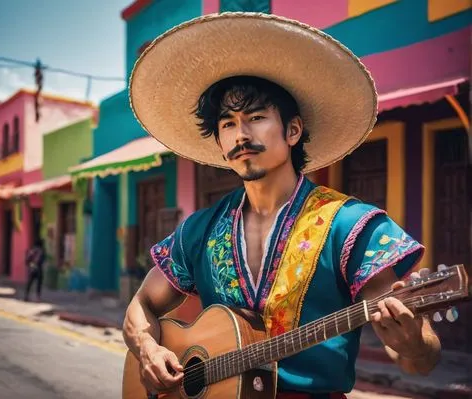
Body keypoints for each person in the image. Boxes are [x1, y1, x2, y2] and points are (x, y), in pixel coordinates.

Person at [123, 13, 441, 398]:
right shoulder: (200, 229)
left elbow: (419, 362)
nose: (240, 134)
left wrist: (413, 343)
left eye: (256, 118)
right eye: (227, 124)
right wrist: (148, 349)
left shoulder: (348, 226)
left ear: (293, 130)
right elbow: (142, 304)